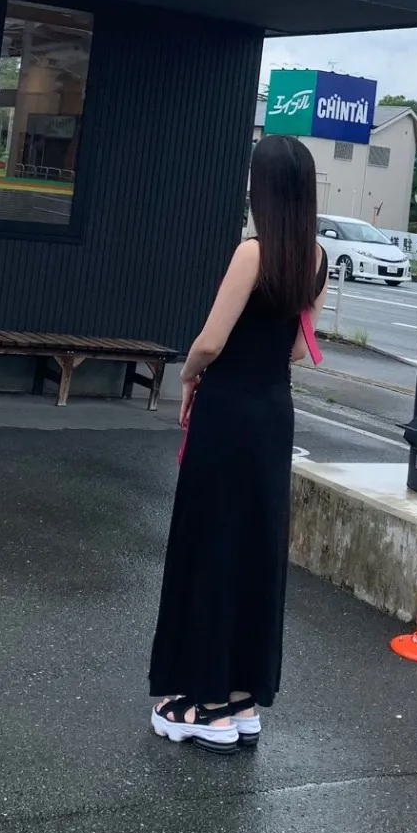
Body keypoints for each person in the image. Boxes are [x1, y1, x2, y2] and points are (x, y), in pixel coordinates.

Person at [148, 134, 326, 754]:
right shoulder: (316, 257)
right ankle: (242, 699)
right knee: (254, 548)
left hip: (228, 412)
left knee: (211, 545)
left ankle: (201, 704)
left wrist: (187, 376)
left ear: (261, 189)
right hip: (274, 413)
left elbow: (210, 340)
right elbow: (299, 348)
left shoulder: (253, 252)